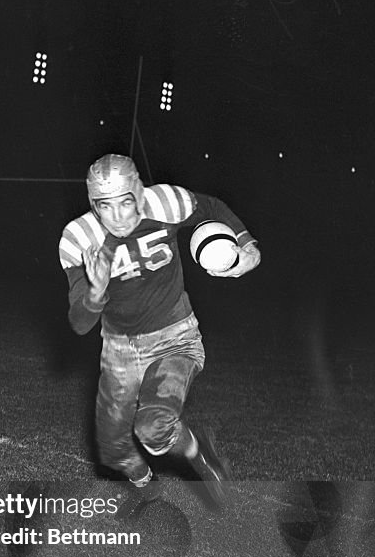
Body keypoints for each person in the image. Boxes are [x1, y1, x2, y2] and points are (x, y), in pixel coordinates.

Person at [58, 154, 261, 506]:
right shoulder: (79, 239)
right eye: (105, 206)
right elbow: (79, 324)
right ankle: (147, 494)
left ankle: (200, 454)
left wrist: (247, 245)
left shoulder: (165, 203)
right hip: (119, 350)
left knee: (153, 429)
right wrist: (95, 293)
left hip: (174, 336)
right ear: (93, 205)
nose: (118, 216)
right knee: (113, 451)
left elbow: (209, 206)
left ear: (139, 192)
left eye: (126, 202)